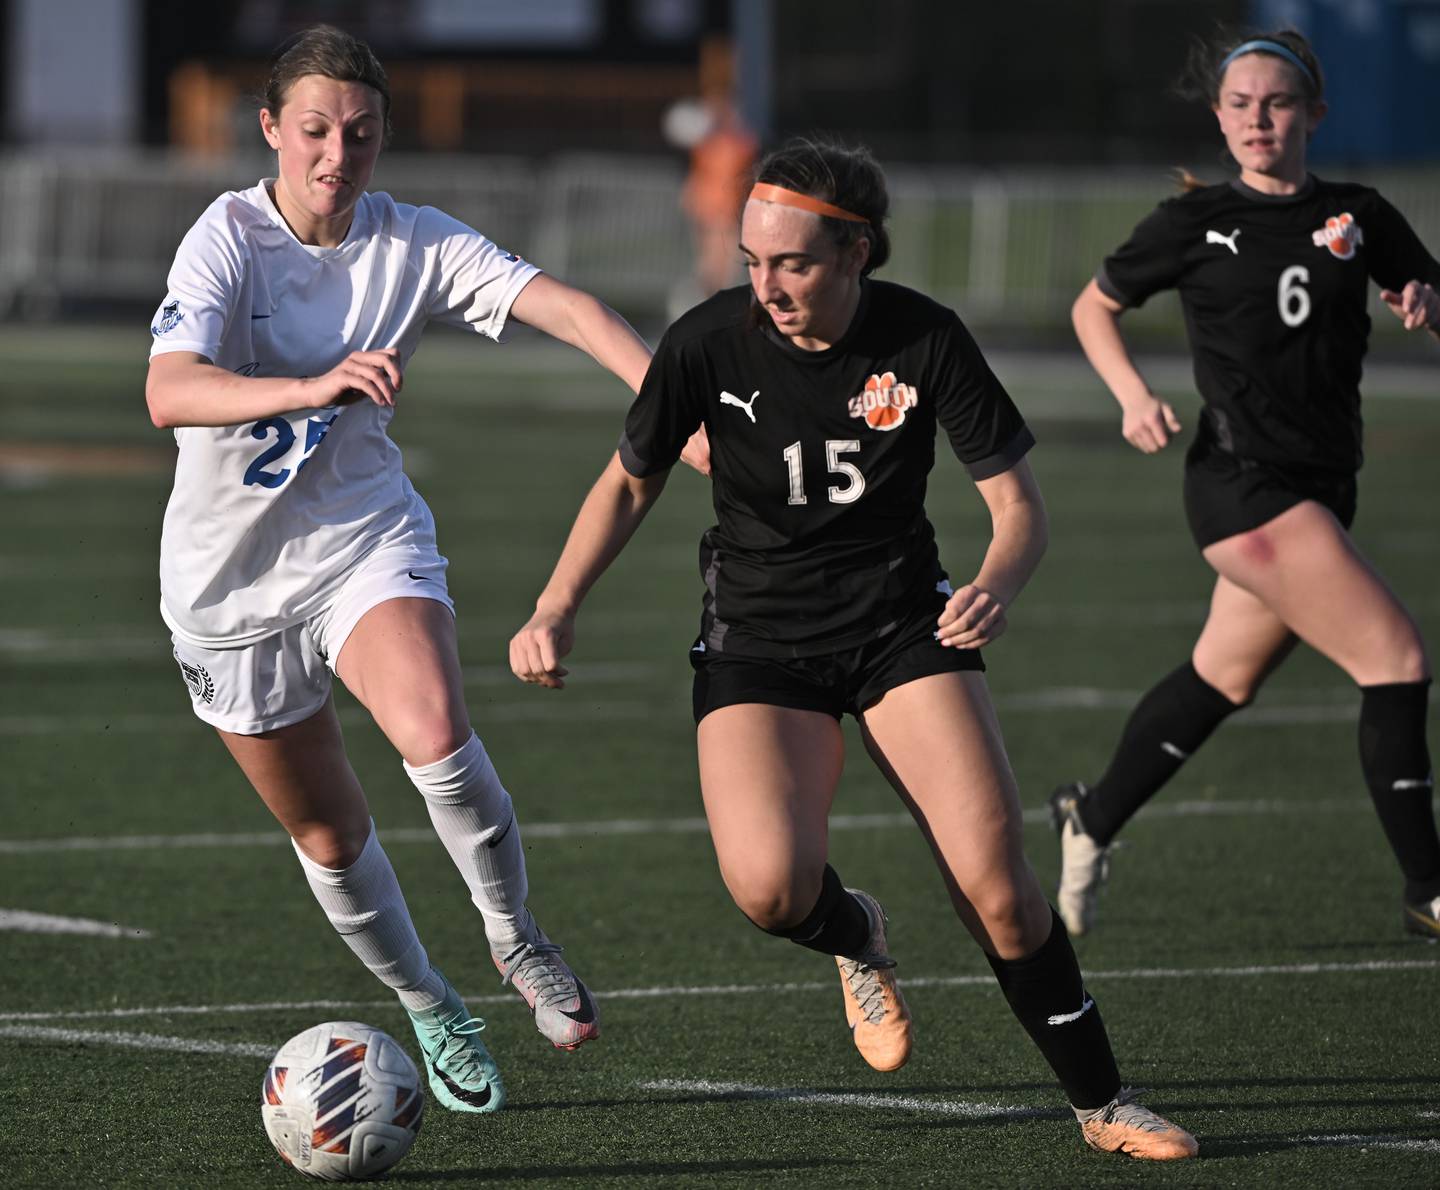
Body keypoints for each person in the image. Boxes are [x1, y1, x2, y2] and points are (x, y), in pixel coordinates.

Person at [510, 137, 1198, 1160]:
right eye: (751, 259)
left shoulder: (925, 338)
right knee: (771, 889)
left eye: (790, 263)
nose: (765, 284)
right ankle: (855, 931)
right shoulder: (707, 342)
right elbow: (630, 478)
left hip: (899, 629)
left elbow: (1017, 508)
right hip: (758, 641)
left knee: (1000, 889)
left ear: (856, 253)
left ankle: (1103, 1100)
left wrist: (993, 588)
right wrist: (555, 602)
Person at [145, 24, 682, 1113]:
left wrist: (675, 409)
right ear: (271, 132)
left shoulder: (414, 241)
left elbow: (568, 309)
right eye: (314, 132)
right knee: (330, 832)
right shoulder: (227, 236)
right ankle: (431, 999)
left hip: (360, 538)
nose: (337, 155)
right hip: (225, 585)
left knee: (434, 731)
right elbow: (170, 390)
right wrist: (310, 387)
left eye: (362, 133)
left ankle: (515, 937)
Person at [1054, 28, 1440, 941]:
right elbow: (1093, 306)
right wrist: (1132, 396)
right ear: (1220, 119)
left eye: (1275, 103)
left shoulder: (1359, 214)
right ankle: (1429, 886)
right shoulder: (1191, 222)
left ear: (1313, 113)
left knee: (1221, 678)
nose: (1258, 119)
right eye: (1239, 105)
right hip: (1241, 487)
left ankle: (1091, 816)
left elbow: (1428, 287)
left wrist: (1427, 299)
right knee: (1396, 660)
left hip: (1321, 485)